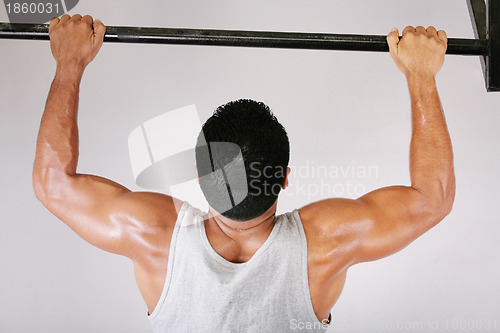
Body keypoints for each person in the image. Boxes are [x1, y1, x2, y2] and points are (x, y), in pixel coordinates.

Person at [33, 14, 455, 332]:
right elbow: (431, 198)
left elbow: (53, 182)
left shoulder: (153, 234)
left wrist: (70, 62)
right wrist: (421, 76)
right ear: (285, 177)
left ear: (198, 175)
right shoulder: (327, 242)